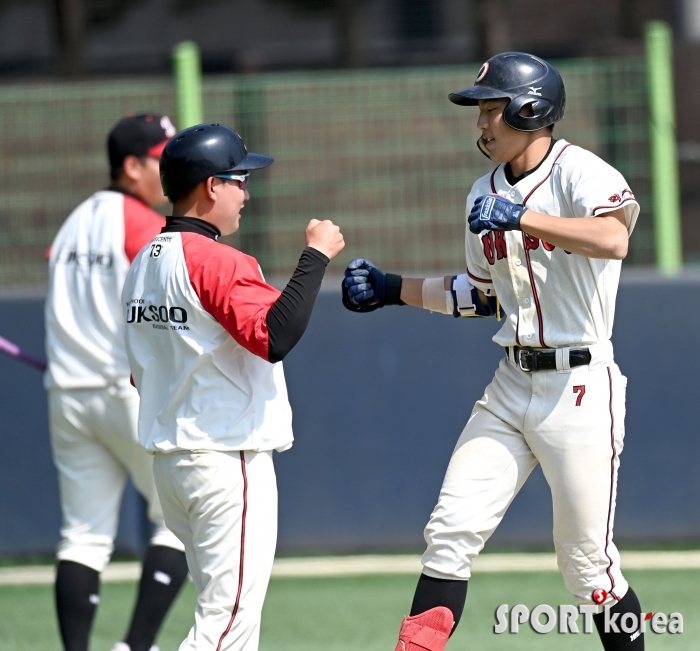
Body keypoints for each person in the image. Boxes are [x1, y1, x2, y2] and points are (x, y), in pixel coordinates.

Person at [343, 52, 645, 651]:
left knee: (588, 569)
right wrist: (392, 289)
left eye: (492, 110)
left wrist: (523, 214)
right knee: (449, 534)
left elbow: (614, 238)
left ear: (532, 109)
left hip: (580, 387)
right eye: (481, 111)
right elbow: (483, 297)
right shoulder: (482, 192)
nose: (482, 125)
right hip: (512, 384)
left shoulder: (578, 171)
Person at [122, 123, 345, 651]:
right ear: (208, 186)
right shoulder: (216, 260)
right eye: (239, 179)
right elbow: (274, 335)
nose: (246, 192)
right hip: (224, 461)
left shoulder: (143, 262)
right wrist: (315, 257)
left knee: (219, 616)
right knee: (227, 628)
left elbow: (139, 372)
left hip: (174, 465)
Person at [45, 114, 189, 651]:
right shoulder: (142, 224)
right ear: (132, 166)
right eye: (162, 158)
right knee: (177, 521)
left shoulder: (73, 222)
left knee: (82, 537)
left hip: (67, 394)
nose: (172, 167)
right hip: (126, 393)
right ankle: (135, 646)